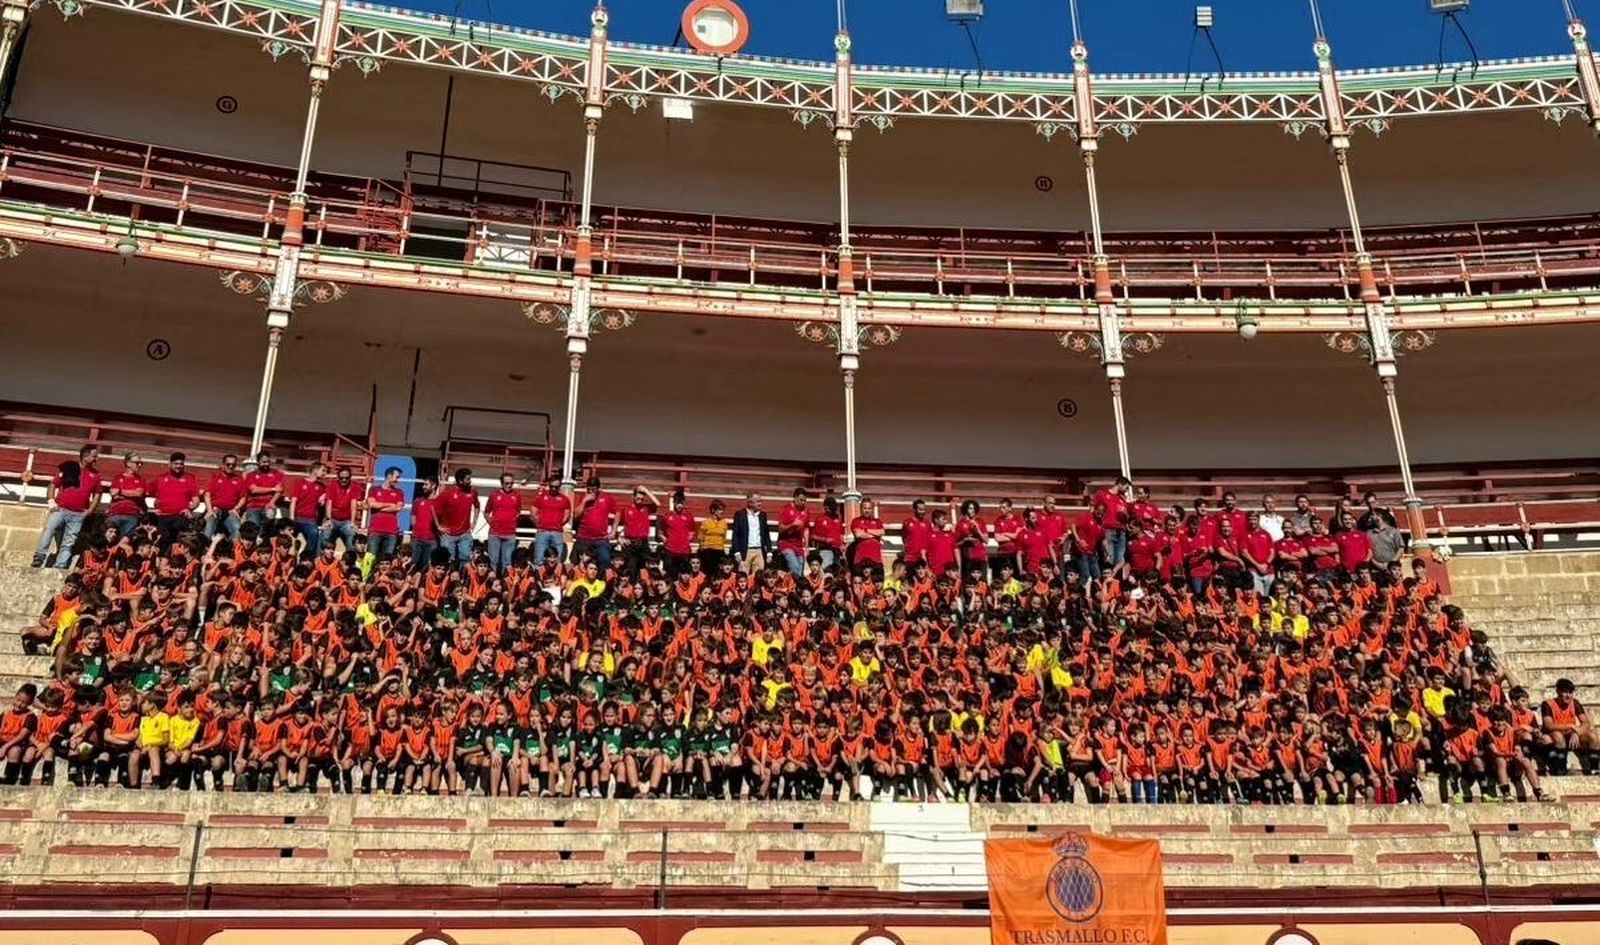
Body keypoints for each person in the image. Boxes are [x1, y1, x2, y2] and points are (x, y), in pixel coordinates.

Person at [32, 445, 101, 569]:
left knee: (69, 541)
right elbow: (53, 485)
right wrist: (51, 503)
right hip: (61, 509)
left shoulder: (95, 475)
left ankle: (61, 564)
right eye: (94, 456)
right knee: (49, 530)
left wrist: (90, 510)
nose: (96, 459)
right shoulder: (70, 468)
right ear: (85, 456)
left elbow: (97, 494)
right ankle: (39, 556)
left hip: (78, 513)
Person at [435, 468, 479, 570]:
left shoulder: (472, 492)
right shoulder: (447, 494)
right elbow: (433, 508)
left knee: (466, 558)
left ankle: (463, 582)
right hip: (448, 534)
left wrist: (474, 523)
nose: (470, 481)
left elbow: (477, 506)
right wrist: (438, 526)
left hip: (465, 533)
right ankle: (449, 581)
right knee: (448, 560)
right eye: (468, 479)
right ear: (460, 481)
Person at [571, 476, 617, 573]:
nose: (591, 491)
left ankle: (601, 583)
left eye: (593, 489)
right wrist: (584, 501)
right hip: (583, 537)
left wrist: (613, 530)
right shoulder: (582, 497)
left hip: (601, 538)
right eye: (589, 488)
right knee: (578, 562)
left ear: (598, 487)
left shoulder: (606, 498)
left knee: (605, 559)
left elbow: (618, 512)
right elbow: (575, 515)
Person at [484, 472, 523, 575]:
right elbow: (487, 512)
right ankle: (492, 583)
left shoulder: (517, 496)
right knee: (493, 561)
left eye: (511, 483)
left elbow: (518, 511)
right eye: (506, 483)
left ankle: (504, 585)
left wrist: (512, 521)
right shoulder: (494, 495)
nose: (509, 485)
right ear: (501, 483)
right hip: (495, 534)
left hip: (510, 534)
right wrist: (492, 523)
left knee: (507, 562)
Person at [365, 466, 407, 560]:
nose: (398, 480)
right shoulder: (374, 489)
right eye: (397, 477)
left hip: (391, 532)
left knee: (387, 561)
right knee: (370, 559)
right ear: (389, 476)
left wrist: (379, 507)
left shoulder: (400, 492)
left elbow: (398, 507)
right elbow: (372, 504)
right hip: (375, 530)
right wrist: (390, 505)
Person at [617, 485, 660, 578]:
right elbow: (617, 524)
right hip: (630, 544)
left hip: (643, 543)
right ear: (633, 497)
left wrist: (646, 490)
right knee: (631, 570)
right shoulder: (626, 510)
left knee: (646, 571)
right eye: (638, 498)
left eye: (642, 499)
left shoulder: (646, 508)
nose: (639, 501)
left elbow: (657, 503)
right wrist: (619, 538)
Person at [530, 473, 571, 569]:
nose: (553, 489)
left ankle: (555, 581)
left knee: (557, 560)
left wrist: (558, 524)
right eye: (551, 486)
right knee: (539, 559)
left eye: (556, 487)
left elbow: (567, 514)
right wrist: (539, 524)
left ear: (559, 486)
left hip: (557, 532)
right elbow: (533, 512)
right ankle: (538, 581)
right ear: (549, 485)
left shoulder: (564, 499)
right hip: (542, 532)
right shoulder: (541, 497)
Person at [203, 453, 247, 541]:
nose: (230, 466)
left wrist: (236, 509)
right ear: (223, 465)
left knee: (238, 531)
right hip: (216, 510)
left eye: (233, 465)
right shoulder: (215, 478)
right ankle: (205, 550)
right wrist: (210, 510)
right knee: (209, 527)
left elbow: (243, 498)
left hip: (230, 511)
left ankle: (227, 548)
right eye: (228, 464)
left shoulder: (239, 480)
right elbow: (207, 495)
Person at [323, 466, 364, 557]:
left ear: (350, 477)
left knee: (352, 533)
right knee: (326, 533)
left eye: (346, 478)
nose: (344, 480)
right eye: (341, 478)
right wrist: (328, 519)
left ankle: (350, 560)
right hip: (333, 518)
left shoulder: (355, 486)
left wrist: (353, 522)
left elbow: (353, 504)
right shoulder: (332, 485)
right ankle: (321, 559)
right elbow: (329, 502)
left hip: (346, 520)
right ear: (338, 477)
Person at [289, 462, 328, 556]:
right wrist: (291, 518)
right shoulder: (300, 483)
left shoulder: (322, 487)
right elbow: (293, 501)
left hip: (310, 520)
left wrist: (325, 496)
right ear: (315, 471)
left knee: (314, 536)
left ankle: (305, 557)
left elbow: (329, 494)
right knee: (288, 540)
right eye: (323, 470)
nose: (325, 473)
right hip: (297, 518)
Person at [105, 451, 147, 537]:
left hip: (132, 514)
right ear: (128, 463)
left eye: (140, 463)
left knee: (125, 541)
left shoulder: (141, 479)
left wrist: (121, 492)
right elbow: (114, 494)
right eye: (137, 463)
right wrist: (131, 492)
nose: (139, 465)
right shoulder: (118, 478)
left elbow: (138, 493)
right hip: (115, 513)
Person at [242, 452, 285, 528]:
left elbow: (279, 490)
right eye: (264, 462)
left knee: (269, 517)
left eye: (268, 462)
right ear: (258, 462)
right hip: (253, 506)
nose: (266, 464)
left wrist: (272, 502)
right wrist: (272, 489)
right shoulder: (251, 475)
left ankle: (262, 535)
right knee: (253, 526)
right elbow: (254, 490)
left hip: (269, 505)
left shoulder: (277, 474)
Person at [731, 493, 771, 573]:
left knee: (759, 577)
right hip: (745, 551)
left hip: (759, 551)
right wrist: (737, 552)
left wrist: (769, 552)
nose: (760, 503)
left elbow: (766, 534)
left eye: (761, 501)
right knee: (743, 576)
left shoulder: (763, 515)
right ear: (750, 503)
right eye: (758, 501)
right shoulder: (740, 514)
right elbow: (735, 534)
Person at [776, 489, 811, 576]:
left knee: (800, 568)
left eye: (804, 501)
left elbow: (806, 528)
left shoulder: (806, 511)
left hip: (798, 545)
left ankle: (795, 587)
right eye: (801, 500)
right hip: (786, 543)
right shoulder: (785, 509)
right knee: (794, 567)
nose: (803, 502)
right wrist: (793, 525)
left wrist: (806, 546)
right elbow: (780, 528)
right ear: (794, 498)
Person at [409, 477, 439, 571]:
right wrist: (416, 529)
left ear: (433, 486)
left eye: (426, 484)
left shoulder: (439, 502)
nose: (423, 487)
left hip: (432, 539)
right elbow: (413, 516)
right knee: (412, 565)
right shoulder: (418, 501)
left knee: (428, 567)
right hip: (417, 538)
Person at [695, 499, 728, 575]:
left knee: (719, 573)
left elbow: (724, 537)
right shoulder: (706, 523)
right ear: (713, 510)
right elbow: (700, 538)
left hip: (719, 550)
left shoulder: (724, 523)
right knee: (708, 573)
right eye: (719, 510)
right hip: (708, 551)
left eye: (722, 510)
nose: (722, 512)